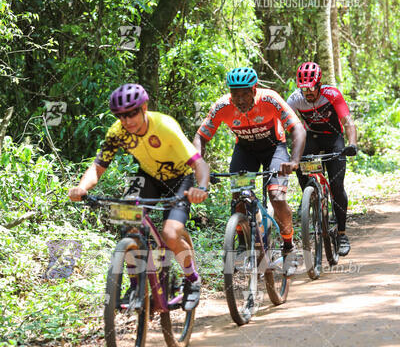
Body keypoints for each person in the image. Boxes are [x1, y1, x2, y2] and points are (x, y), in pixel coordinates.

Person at [68, 83, 210, 308]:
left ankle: (192, 279)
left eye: (132, 113)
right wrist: (82, 187)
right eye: (121, 116)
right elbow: (98, 166)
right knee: (127, 219)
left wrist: (201, 188)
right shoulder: (117, 132)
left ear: (144, 108)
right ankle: (136, 285)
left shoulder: (165, 126)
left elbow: (199, 164)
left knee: (170, 234)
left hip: (179, 179)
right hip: (148, 177)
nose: (127, 121)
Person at [193, 66, 306, 274]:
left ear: (254, 90)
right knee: (238, 197)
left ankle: (289, 246)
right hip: (245, 150)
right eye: (235, 94)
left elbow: (297, 128)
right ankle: (243, 246)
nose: (240, 100)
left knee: (277, 196)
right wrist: (198, 164)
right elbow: (201, 136)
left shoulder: (270, 99)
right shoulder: (222, 106)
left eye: (245, 93)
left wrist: (294, 160)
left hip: (274, 149)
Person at [286, 62, 357, 256]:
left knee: (336, 186)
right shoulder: (295, 99)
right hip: (312, 138)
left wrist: (352, 144)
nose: (307, 92)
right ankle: (310, 195)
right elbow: (285, 124)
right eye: (303, 88)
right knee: (299, 161)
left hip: (334, 139)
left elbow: (347, 121)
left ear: (319, 85)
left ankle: (341, 233)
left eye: (311, 88)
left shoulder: (331, 94)